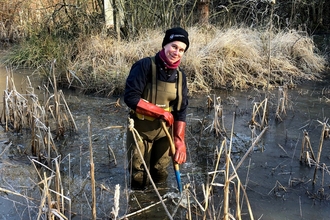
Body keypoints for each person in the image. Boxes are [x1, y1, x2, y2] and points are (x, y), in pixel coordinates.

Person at [124, 27, 189, 189]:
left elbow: (181, 110)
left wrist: (179, 140)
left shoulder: (181, 77)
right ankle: (138, 206)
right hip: (140, 130)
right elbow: (131, 98)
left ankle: (158, 205)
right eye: (174, 46)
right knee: (138, 174)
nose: (177, 52)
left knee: (160, 172)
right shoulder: (144, 65)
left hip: (164, 134)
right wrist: (160, 112)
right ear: (165, 45)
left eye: (181, 50)